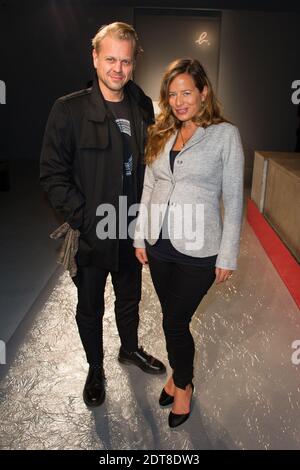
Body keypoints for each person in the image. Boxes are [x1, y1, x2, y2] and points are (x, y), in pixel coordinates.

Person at [40, 22, 166, 408]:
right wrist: (85, 219)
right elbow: (52, 173)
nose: (118, 68)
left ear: (133, 64)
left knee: (129, 298)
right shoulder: (69, 109)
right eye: (110, 58)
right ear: (94, 58)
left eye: (125, 61)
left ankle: (129, 349)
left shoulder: (142, 106)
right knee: (89, 307)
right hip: (93, 234)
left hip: (131, 231)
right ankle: (96, 368)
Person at [134, 58, 244, 428]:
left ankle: (184, 385)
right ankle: (176, 376)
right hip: (159, 243)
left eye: (187, 92)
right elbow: (150, 186)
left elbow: (233, 196)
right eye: (172, 93)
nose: (179, 101)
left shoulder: (225, 135)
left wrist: (228, 254)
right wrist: (139, 236)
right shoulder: (161, 131)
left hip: (200, 249)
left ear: (203, 93)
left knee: (176, 323)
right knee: (171, 320)